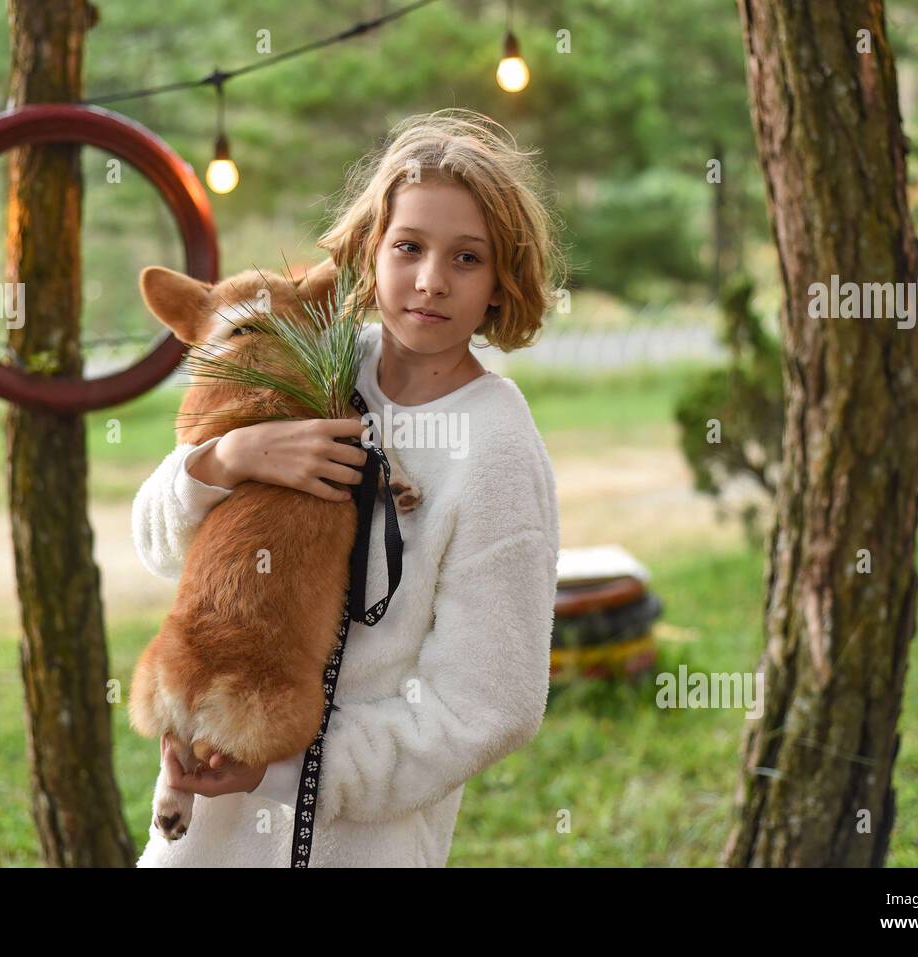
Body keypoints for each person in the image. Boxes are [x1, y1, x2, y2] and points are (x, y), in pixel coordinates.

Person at [131, 108, 568, 867]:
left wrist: (290, 770)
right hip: (202, 836)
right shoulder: (304, 354)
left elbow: (491, 703)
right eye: (410, 246)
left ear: (503, 281)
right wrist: (230, 457)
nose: (431, 280)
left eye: (468, 258)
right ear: (372, 250)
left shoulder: (496, 445)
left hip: (355, 842)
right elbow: (156, 544)